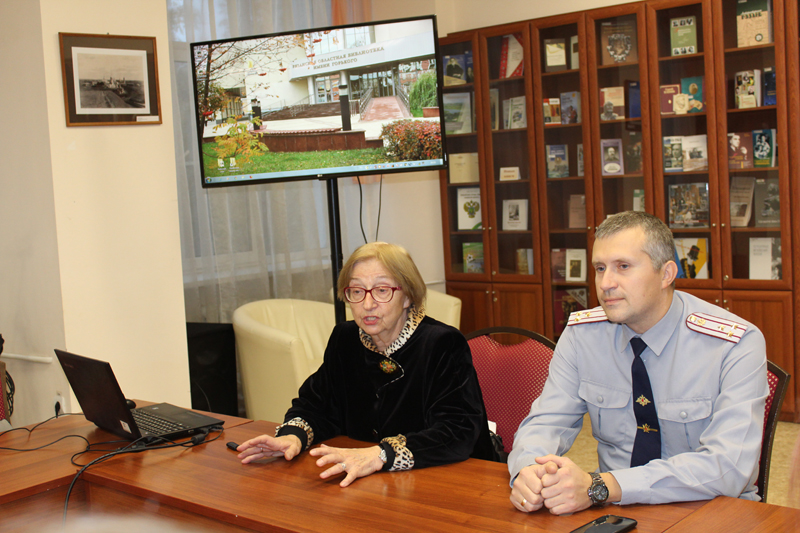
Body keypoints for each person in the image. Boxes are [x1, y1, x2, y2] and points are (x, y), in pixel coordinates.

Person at [508, 211, 768, 515]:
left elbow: (728, 466)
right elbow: (546, 422)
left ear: (666, 274)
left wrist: (603, 485)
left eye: (623, 267)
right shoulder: (583, 335)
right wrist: (529, 471)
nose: (606, 283)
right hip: (614, 509)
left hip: (711, 512)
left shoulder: (733, 343)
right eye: (600, 268)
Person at [237, 242, 496, 487]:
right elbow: (316, 404)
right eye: (357, 291)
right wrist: (293, 436)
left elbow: (458, 431)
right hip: (369, 482)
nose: (367, 304)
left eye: (382, 290)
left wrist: (381, 455)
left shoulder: (441, 343)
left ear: (407, 296)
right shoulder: (345, 339)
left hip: (452, 480)